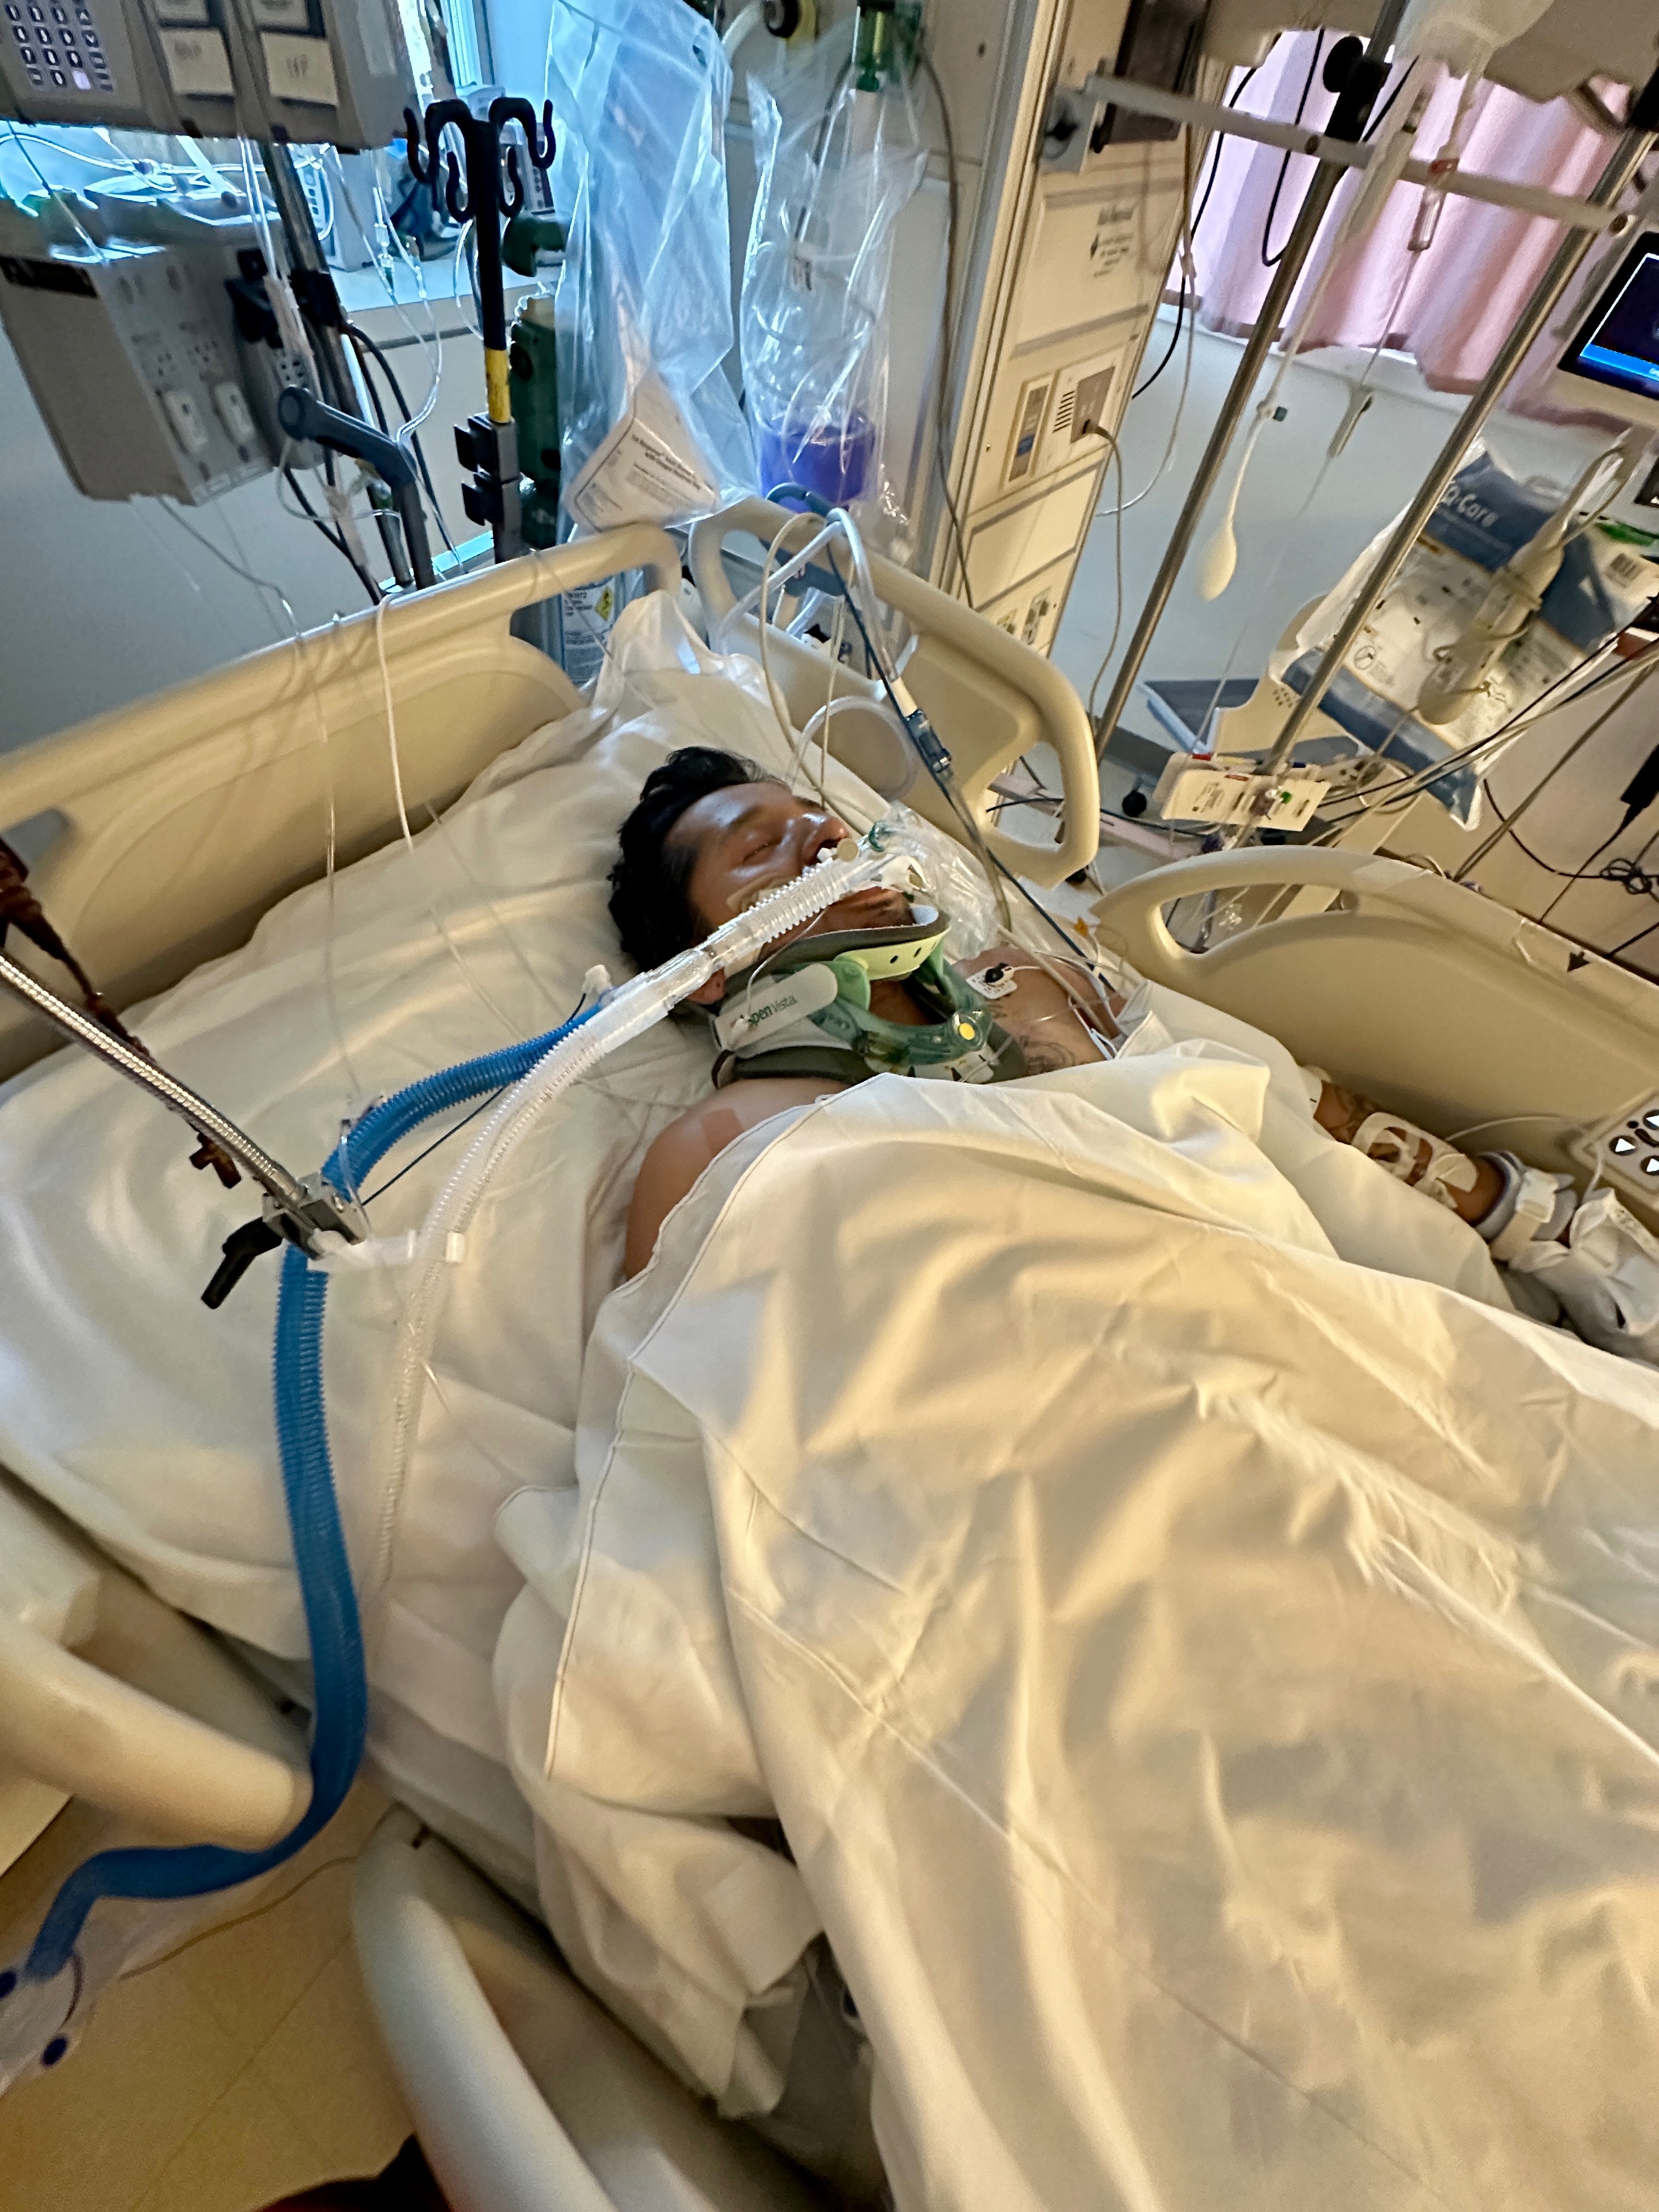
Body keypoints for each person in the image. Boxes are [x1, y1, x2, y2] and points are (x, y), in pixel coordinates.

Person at [608, 748, 1659, 1365]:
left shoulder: (1028, 980)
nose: (827, 843)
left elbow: (1277, 1114)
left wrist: (1514, 1216)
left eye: (821, 821)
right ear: (705, 973)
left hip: (1321, 1300)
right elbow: (680, 1392)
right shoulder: (717, 1141)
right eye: (762, 849)